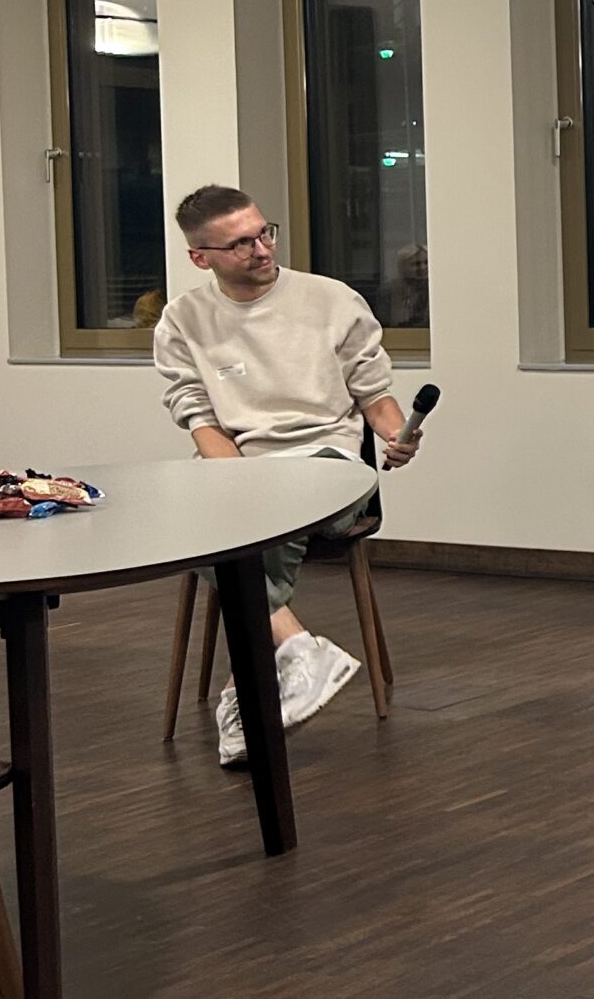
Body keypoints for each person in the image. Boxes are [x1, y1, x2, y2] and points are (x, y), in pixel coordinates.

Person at [153, 185, 425, 767]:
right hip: (243, 472)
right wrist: (241, 487)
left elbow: (374, 395)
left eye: (264, 233)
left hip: (329, 465)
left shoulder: (331, 300)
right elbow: (200, 419)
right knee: (194, 519)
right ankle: (291, 650)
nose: (261, 249)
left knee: (250, 527)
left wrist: (397, 434)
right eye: (240, 243)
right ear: (200, 257)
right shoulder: (183, 320)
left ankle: (251, 686)